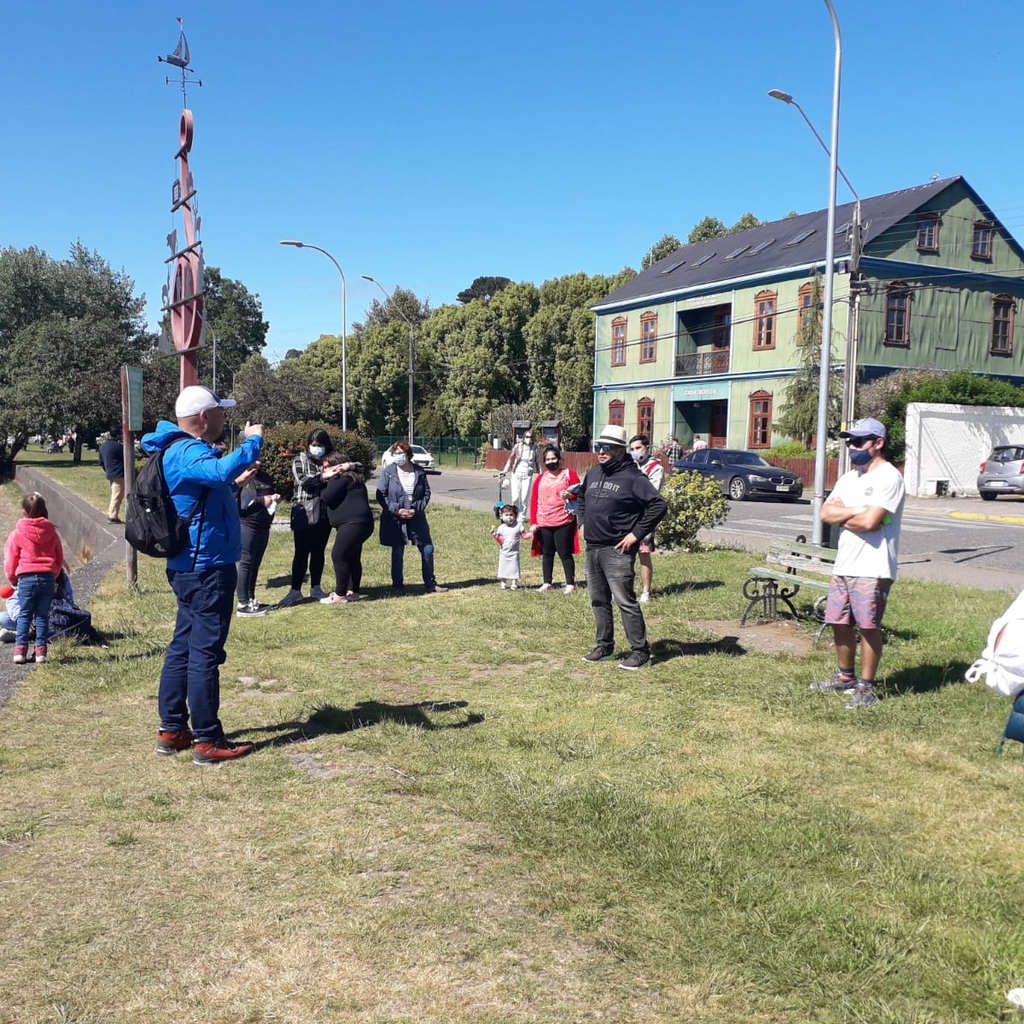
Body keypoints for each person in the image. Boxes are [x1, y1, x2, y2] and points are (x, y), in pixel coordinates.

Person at [141, 384, 263, 764]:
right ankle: (207, 739)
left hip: (190, 567)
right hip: (206, 568)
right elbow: (221, 467)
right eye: (221, 413)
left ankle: (173, 729)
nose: (226, 420)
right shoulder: (187, 449)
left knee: (184, 647)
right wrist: (252, 442)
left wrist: (233, 481)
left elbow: (210, 482)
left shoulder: (176, 450)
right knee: (204, 653)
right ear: (205, 417)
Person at [811, 417, 906, 709]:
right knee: (839, 622)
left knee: (868, 626)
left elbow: (870, 522)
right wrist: (857, 512)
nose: (853, 447)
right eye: (850, 441)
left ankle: (866, 687)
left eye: (859, 441)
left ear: (878, 444)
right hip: (844, 564)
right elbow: (826, 515)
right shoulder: (848, 478)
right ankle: (845, 677)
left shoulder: (889, 477)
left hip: (873, 567)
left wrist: (848, 517)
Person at [577, 425, 667, 671]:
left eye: (606, 448)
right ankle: (604, 646)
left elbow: (658, 505)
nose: (600, 452)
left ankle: (640, 652)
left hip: (617, 550)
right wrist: (582, 522)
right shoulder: (594, 472)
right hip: (593, 547)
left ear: (619, 450)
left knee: (624, 600)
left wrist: (635, 534)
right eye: (598, 447)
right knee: (598, 599)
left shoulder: (633, 477)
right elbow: (581, 497)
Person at [377, 440, 446, 595]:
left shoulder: (419, 471)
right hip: (396, 518)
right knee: (398, 550)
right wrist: (396, 510)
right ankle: (397, 585)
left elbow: (426, 493)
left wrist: (416, 508)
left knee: (427, 548)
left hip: (416, 517)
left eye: (400, 453)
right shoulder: (388, 471)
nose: (397, 456)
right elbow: (381, 494)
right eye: (395, 453)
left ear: (407, 454)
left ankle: (430, 583)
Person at [3, 492, 64, 665]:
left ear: (24, 512)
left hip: (26, 578)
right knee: (42, 617)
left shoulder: (17, 533)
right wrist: (54, 574)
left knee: (24, 615)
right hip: (47, 578)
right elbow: (59, 557)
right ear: (44, 510)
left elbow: (10, 559)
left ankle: (20, 651)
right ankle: (40, 653)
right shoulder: (51, 532)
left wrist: (13, 578)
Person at [280, 428, 333, 607]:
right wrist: (325, 475)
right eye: (314, 445)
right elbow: (304, 479)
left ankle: (316, 587)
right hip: (304, 510)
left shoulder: (329, 459)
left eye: (320, 445)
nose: (316, 448)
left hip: (324, 512)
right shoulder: (300, 459)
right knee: (301, 552)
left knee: (319, 552)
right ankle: (295, 590)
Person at [320, 452, 374, 604]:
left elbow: (327, 497)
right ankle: (353, 591)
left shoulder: (339, 478)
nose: (324, 470)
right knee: (352, 556)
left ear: (337, 466)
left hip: (352, 524)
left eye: (326, 467)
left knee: (339, 555)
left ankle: (340, 594)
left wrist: (322, 484)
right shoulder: (353, 477)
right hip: (362, 523)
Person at [529, 444, 580, 594]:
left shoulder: (568, 474)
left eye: (554, 458)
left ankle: (570, 584)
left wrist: (570, 496)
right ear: (544, 462)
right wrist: (533, 522)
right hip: (544, 521)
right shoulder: (540, 478)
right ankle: (547, 582)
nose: (551, 461)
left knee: (564, 552)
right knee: (547, 553)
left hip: (564, 521)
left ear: (559, 459)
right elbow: (534, 501)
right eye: (548, 459)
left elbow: (581, 494)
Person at [236, 465, 280, 618]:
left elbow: (269, 494)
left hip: (264, 525)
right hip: (247, 524)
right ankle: (242, 604)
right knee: (246, 562)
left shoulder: (265, 476)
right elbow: (237, 502)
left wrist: (275, 497)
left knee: (255, 563)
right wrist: (262, 501)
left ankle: (251, 599)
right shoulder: (241, 475)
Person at [628, 434, 666, 603]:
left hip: (644, 517)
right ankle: (624, 589)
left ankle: (645, 592)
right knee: (625, 553)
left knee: (644, 553)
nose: (635, 452)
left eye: (638, 448)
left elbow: (651, 493)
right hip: (628, 516)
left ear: (647, 448)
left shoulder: (655, 468)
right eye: (632, 449)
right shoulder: (630, 466)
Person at [491, 504, 532, 590]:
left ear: (515, 516)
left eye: (511, 515)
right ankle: (503, 582)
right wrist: (495, 535)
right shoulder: (501, 528)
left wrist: (532, 533)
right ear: (501, 516)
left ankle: (514, 583)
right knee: (503, 567)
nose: (509, 517)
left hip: (514, 553)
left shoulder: (518, 526)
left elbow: (524, 536)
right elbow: (501, 541)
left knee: (514, 567)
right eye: (506, 515)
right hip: (504, 553)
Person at [501, 429, 539, 511]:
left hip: (527, 475)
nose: (528, 438)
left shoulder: (534, 448)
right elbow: (510, 459)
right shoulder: (517, 446)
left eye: (530, 437)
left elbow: (538, 463)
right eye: (527, 436)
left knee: (524, 498)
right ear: (524, 437)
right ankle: (515, 513)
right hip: (516, 474)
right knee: (515, 498)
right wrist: (504, 471)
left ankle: (521, 517)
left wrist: (541, 476)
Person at [98, 425, 126, 523]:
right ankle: (112, 516)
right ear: (118, 434)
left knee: (115, 493)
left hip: (110, 473)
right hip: (119, 474)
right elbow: (125, 459)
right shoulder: (119, 447)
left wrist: (107, 470)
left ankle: (112, 514)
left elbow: (101, 462)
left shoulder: (103, 446)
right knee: (117, 495)